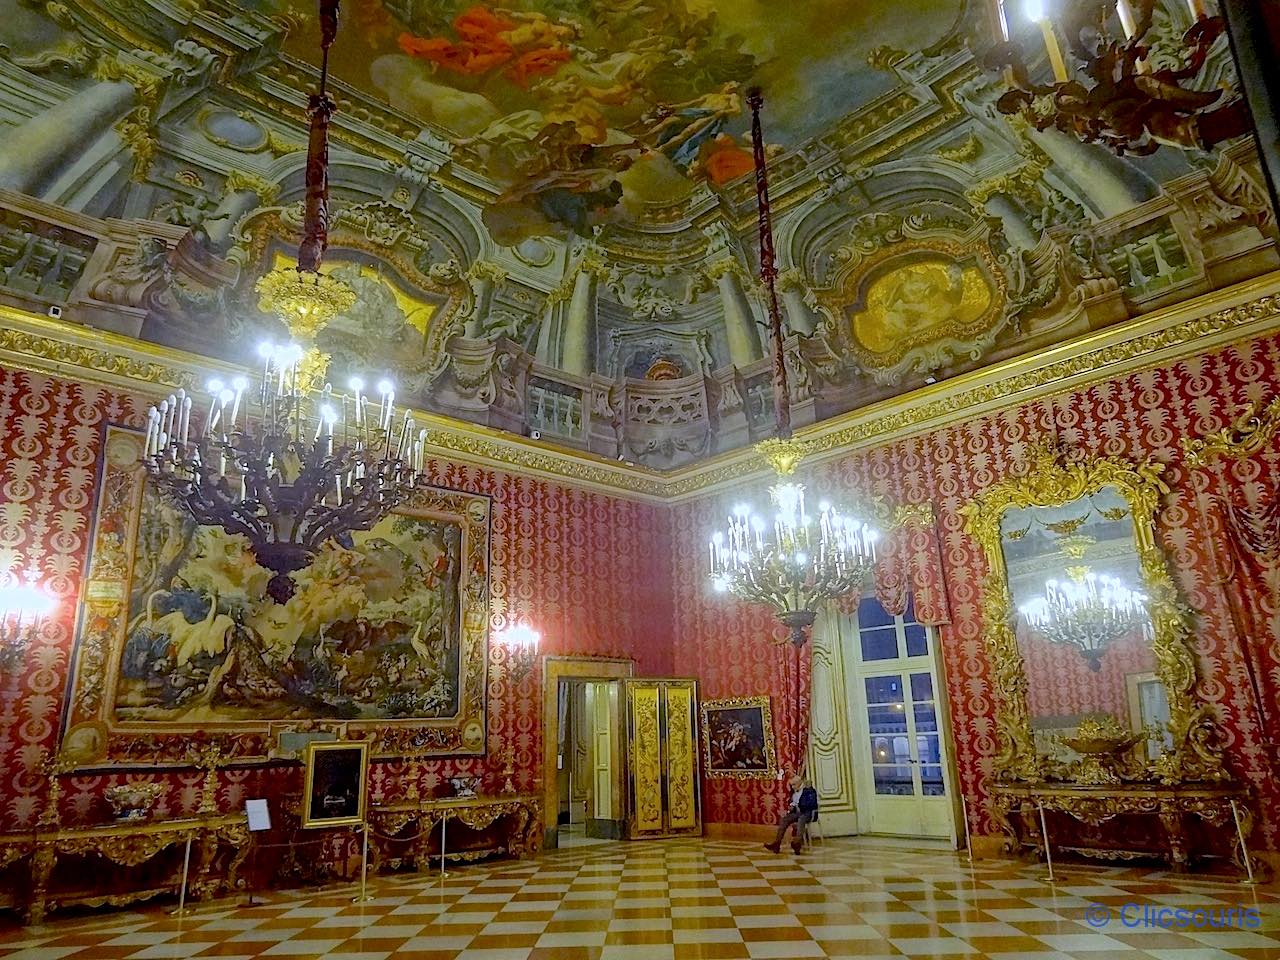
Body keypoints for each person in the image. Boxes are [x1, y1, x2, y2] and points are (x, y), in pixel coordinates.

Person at [765, 773, 819, 854]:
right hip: (797, 812)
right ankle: (777, 844)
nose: (792, 787)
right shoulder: (793, 791)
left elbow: (812, 804)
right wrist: (791, 807)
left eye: (794, 785)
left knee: (802, 819)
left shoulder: (809, 790)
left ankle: (796, 843)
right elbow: (792, 802)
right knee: (784, 820)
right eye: (791, 785)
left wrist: (799, 805)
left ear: (799, 783)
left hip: (808, 813)